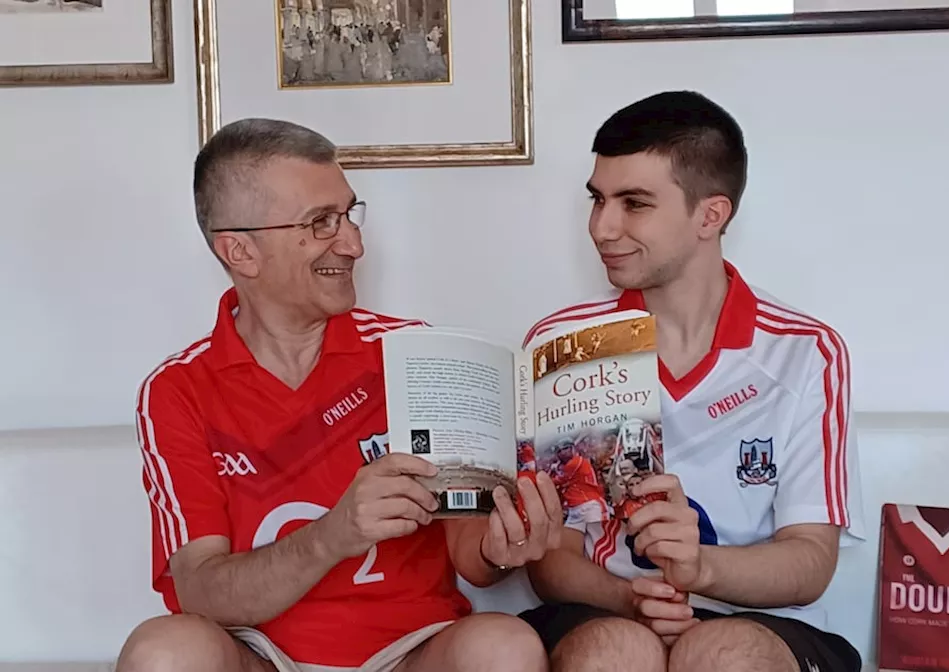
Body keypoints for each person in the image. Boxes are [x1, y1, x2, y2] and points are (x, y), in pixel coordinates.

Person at [116, 118, 562, 672]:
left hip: (411, 649)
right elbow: (200, 592)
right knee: (164, 651)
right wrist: (333, 535)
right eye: (321, 223)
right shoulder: (177, 389)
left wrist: (500, 550)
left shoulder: (413, 353)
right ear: (240, 252)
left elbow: (470, 555)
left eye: (350, 215)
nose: (353, 244)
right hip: (261, 655)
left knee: (504, 646)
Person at [518, 91, 866, 672]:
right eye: (598, 199)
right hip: (609, 609)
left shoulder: (804, 352)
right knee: (615, 651)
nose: (603, 227)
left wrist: (699, 569)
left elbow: (810, 563)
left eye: (634, 203)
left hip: (758, 621)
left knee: (723, 654)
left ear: (711, 215)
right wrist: (631, 598)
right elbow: (551, 558)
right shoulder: (566, 347)